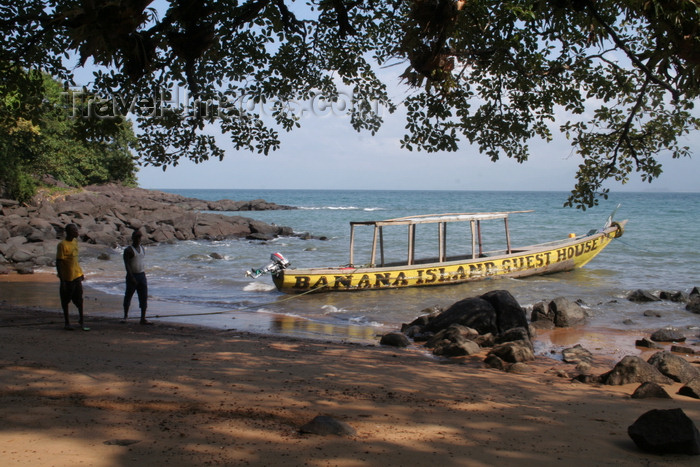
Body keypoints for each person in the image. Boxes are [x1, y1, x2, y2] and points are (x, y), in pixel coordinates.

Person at [56, 223, 88, 331]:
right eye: (74, 230)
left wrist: (81, 273)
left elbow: (75, 260)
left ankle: (81, 320)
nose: (76, 232)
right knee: (65, 301)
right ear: (69, 232)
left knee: (79, 299)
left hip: (76, 275)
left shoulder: (75, 242)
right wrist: (62, 280)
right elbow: (59, 262)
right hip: (67, 278)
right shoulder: (62, 245)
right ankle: (67, 323)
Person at [122, 229, 151, 325]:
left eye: (140, 237)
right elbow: (127, 265)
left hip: (142, 275)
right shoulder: (128, 250)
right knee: (128, 296)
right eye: (137, 237)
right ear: (133, 238)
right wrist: (131, 277)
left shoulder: (142, 248)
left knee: (143, 297)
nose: (138, 239)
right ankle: (125, 316)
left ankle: (143, 318)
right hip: (132, 275)